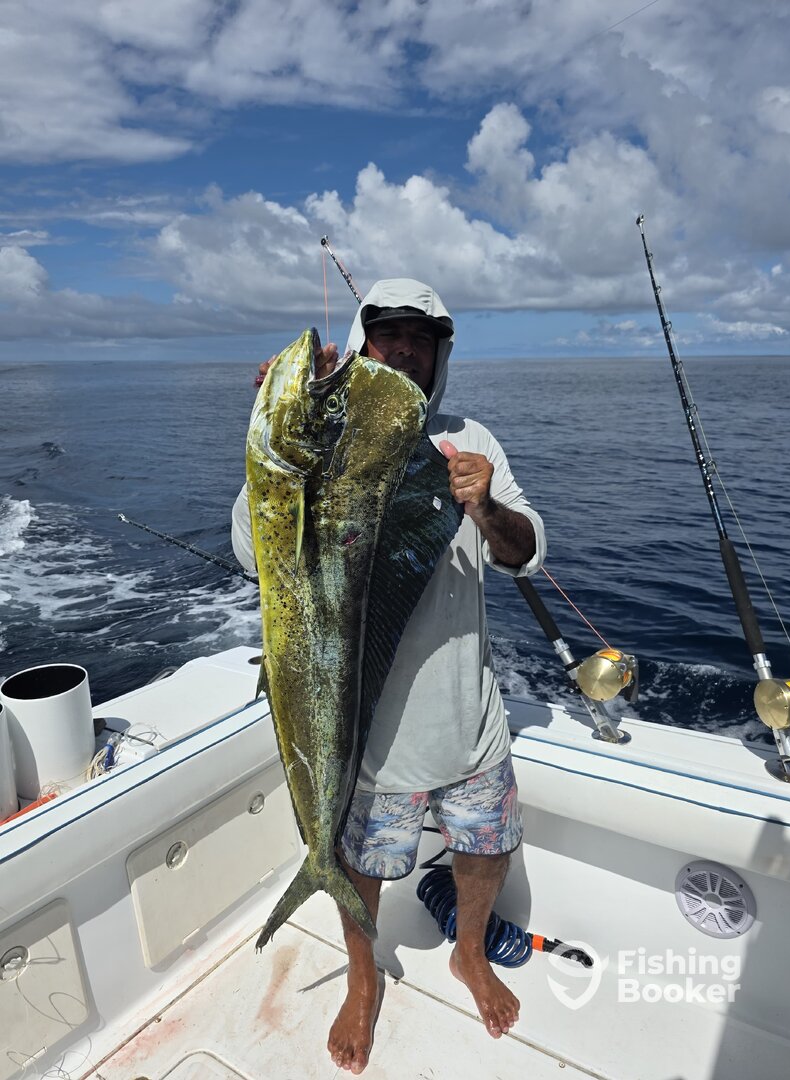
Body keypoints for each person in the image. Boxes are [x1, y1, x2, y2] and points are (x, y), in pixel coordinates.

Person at [231, 278, 545, 1075]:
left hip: (468, 719)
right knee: (361, 871)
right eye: (388, 334)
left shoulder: (469, 440)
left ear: (441, 353)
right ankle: (363, 976)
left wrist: (484, 506)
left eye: (422, 337)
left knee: (487, 850)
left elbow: (526, 552)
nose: (404, 348)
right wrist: (280, 426)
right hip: (368, 732)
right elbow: (252, 550)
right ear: (362, 344)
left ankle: (468, 952)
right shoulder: (321, 443)